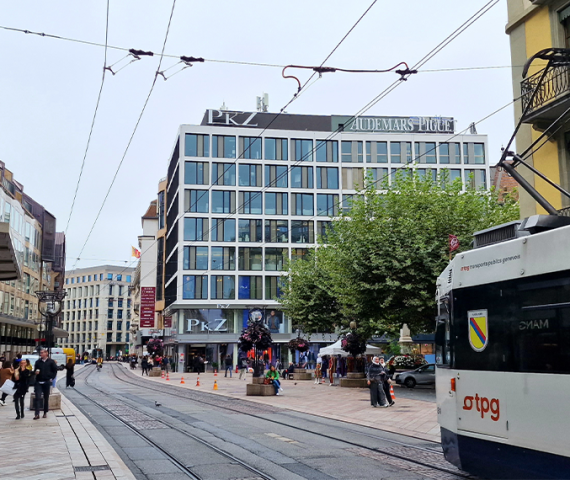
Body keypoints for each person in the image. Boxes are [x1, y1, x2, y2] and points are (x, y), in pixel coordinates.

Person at [33, 348, 58, 419]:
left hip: (47, 381)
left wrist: (51, 378)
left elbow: (55, 370)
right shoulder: (38, 362)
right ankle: (37, 414)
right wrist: (35, 372)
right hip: (38, 381)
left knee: (46, 398)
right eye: (40, 353)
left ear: (46, 353)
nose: (41, 354)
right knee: (37, 397)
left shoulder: (51, 362)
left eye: (42, 353)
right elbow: (35, 369)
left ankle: (45, 412)